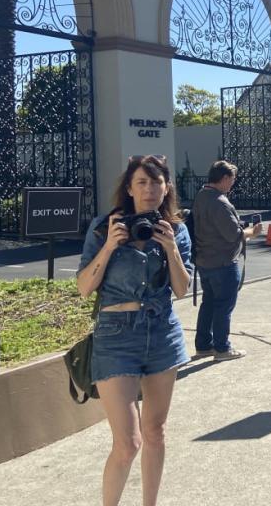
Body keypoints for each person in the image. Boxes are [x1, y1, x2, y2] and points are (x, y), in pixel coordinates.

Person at [77, 155, 192, 505]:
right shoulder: (103, 227)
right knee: (128, 443)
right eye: (141, 182)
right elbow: (84, 287)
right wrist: (111, 244)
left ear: (166, 187)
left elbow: (182, 289)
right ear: (129, 188)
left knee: (155, 432)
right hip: (116, 337)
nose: (149, 189)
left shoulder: (176, 229)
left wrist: (171, 248)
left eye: (157, 182)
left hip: (161, 333)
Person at [192, 160, 263, 361]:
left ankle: (204, 345)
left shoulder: (201, 196)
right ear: (224, 179)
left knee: (209, 303)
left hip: (204, 260)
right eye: (232, 179)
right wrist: (251, 232)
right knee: (224, 306)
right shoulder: (219, 202)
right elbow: (233, 234)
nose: (233, 183)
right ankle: (222, 348)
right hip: (223, 262)